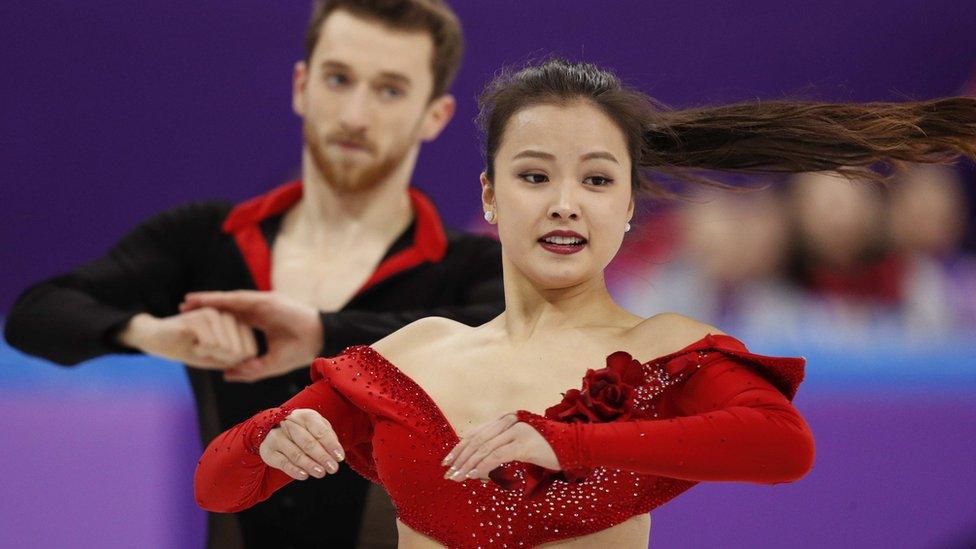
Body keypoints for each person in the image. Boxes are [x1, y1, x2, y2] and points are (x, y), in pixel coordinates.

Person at [193, 59, 976, 547]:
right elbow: (218, 487)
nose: (566, 204)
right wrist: (268, 433)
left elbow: (784, 445)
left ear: (630, 208)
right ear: (490, 198)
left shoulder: (662, 347)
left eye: (597, 179)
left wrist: (566, 445)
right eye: (536, 176)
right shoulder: (414, 355)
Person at [3, 1, 504, 547]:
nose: (355, 114)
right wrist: (152, 332)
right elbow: (36, 314)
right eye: (338, 79)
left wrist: (318, 334)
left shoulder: (472, 270)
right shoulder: (205, 240)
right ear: (300, 85)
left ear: (435, 115)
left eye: (389, 90)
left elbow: (504, 341)